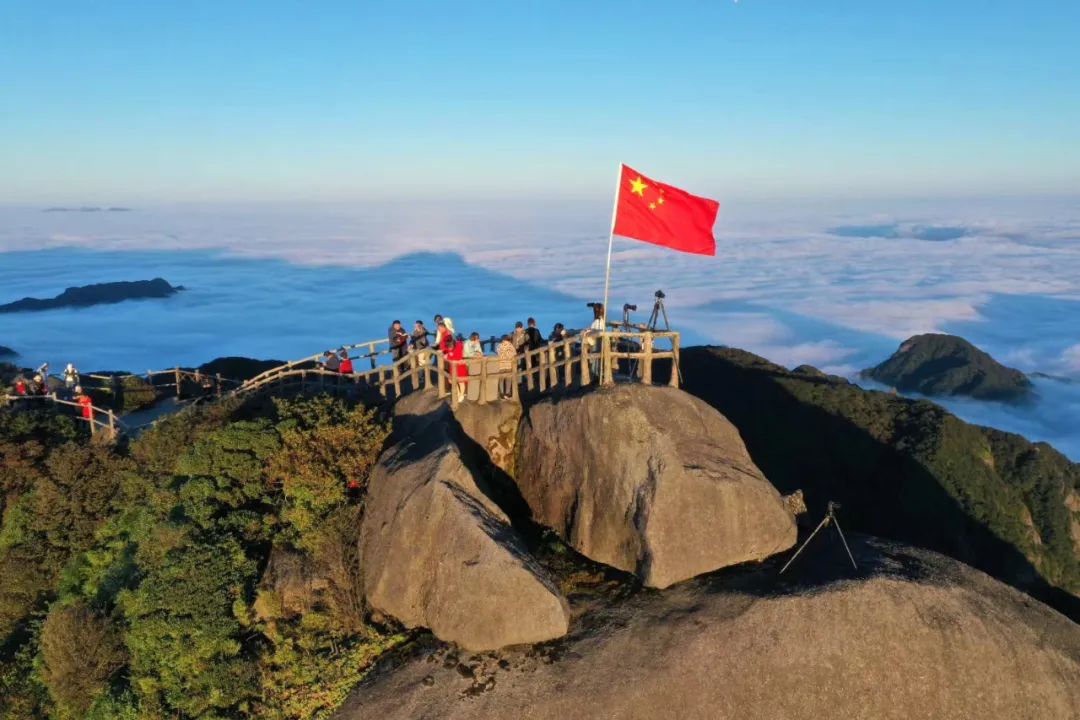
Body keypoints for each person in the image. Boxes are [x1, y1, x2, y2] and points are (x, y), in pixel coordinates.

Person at [445, 334, 468, 402]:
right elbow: (450, 356)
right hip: (453, 367)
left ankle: (461, 395)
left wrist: (448, 357)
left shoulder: (459, 346)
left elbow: (456, 358)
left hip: (459, 367)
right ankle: (458, 393)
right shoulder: (451, 346)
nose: (449, 348)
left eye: (450, 347)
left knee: (460, 382)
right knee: (452, 381)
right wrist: (448, 355)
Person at [496, 334, 516, 399]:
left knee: (501, 379)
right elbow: (514, 354)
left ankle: (501, 393)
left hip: (501, 365)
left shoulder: (499, 346)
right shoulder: (511, 346)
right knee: (508, 379)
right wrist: (507, 354)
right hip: (508, 365)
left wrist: (503, 354)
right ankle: (507, 393)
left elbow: (498, 354)